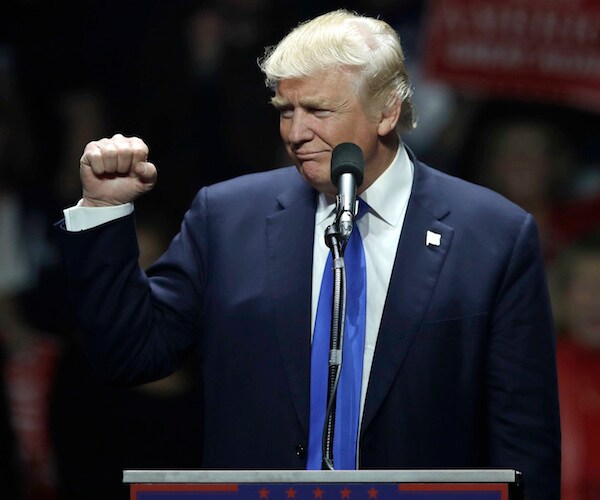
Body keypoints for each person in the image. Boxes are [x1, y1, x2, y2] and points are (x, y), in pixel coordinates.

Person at [55, 9, 560, 500]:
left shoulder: (492, 236)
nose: (295, 134)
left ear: (387, 110)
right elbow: (130, 355)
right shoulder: (228, 218)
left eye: (318, 110)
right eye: (285, 111)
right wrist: (102, 210)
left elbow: (524, 442)